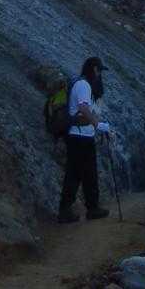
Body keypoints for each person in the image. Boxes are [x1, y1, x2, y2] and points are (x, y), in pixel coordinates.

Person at [58, 56, 112, 223]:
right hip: (79, 136)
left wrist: (98, 126)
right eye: (99, 70)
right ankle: (67, 211)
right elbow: (83, 107)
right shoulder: (83, 85)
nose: (100, 74)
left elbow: (87, 110)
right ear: (94, 69)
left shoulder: (83, 84)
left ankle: (91, 208)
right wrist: (98, 125)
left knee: (87, 173)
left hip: (82, 136)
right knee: (76, 174)